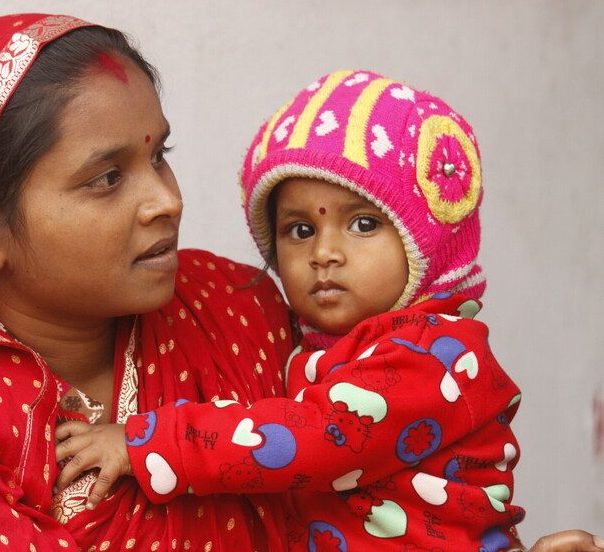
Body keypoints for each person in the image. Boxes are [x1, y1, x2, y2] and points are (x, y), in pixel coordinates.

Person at [0, 13, 601, 552]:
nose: (167, 199)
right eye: (106, 178)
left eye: (159, 155)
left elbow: (369, 480)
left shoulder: (235, 307)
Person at [54, 70, 604, 551]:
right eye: (299, 230)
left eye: (363, 224)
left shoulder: (436, 353)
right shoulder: (304, 344)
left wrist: (147, 442)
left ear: (425, 241)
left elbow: (318, 436)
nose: (324, 253)